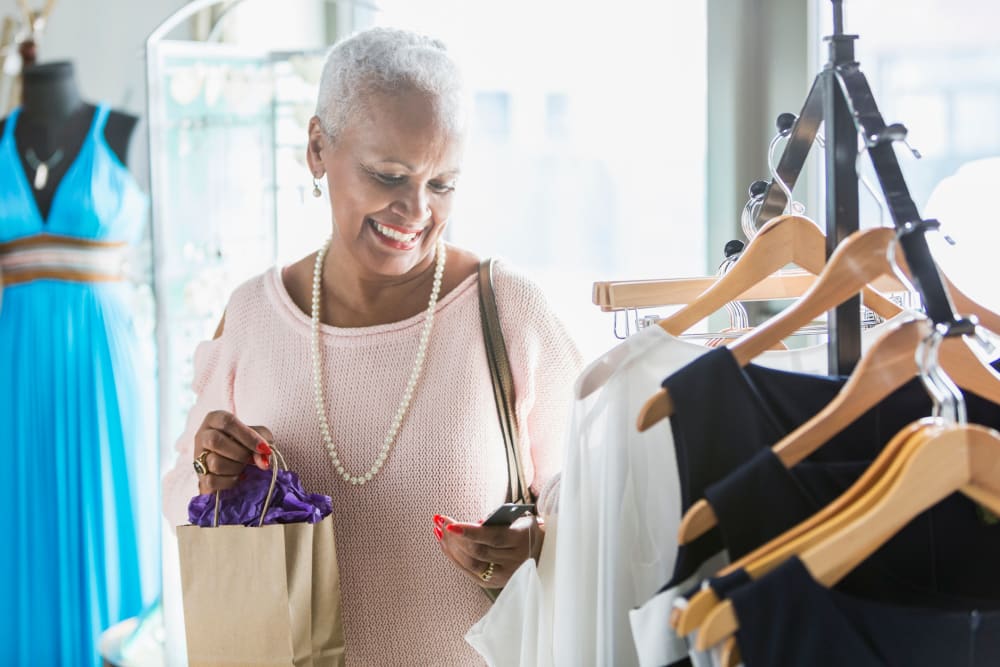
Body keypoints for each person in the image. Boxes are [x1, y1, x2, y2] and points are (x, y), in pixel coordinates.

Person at [162, 27, 582, 665]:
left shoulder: (508, 311)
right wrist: (207, 469)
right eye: (389, 175)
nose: (416, 210)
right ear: (317, 148)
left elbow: (597, 506)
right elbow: (180, 505)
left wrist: (542, 542)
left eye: (442, 184)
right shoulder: (254, 316)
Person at [0, 62, 157, 666]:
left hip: (102, 361)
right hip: (14, 362)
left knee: (104, 509)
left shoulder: (118, 129)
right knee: (21, 521)